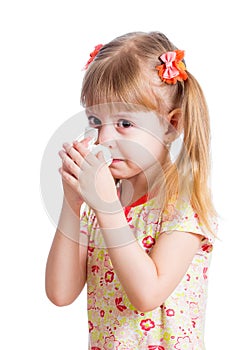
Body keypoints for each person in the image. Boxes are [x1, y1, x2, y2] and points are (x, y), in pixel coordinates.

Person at [45, 31, 218, 349]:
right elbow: (60, 292)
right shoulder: (103, 204)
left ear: (172, 125)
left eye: (124, 123)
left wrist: (106, 206)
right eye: (96, 120)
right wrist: (72, 203)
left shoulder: (181, 205)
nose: (104, 137)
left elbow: (147, 295)